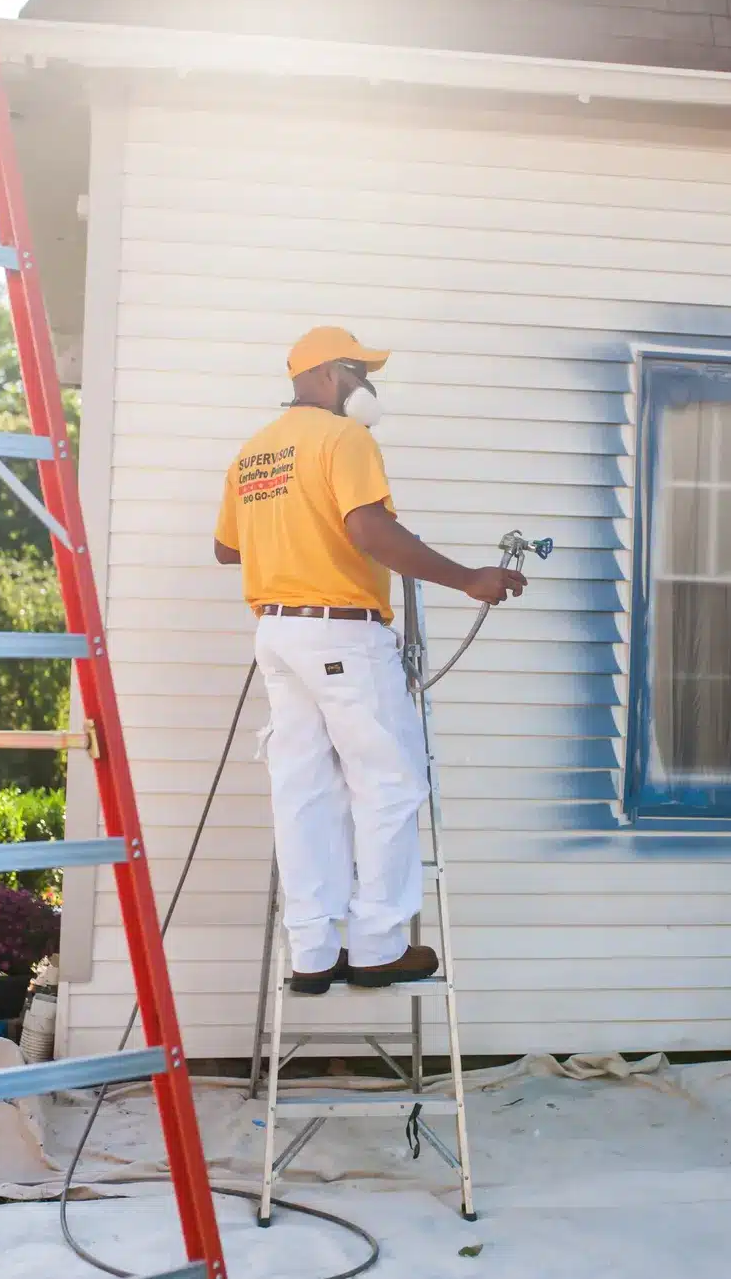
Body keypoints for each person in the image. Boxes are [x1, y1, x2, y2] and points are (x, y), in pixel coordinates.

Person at [214, 326, 526, 993]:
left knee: (305, 792)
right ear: (327, 375)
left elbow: (227, 549)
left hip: (278, 635)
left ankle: (313, 954)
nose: (367, 385)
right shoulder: (344, 438)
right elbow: (368, 530)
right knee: (388, 783)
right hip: (341, 635)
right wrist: (470, 577)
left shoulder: (253, 453)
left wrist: (292, 536)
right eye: (359, 372)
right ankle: (379, 945)